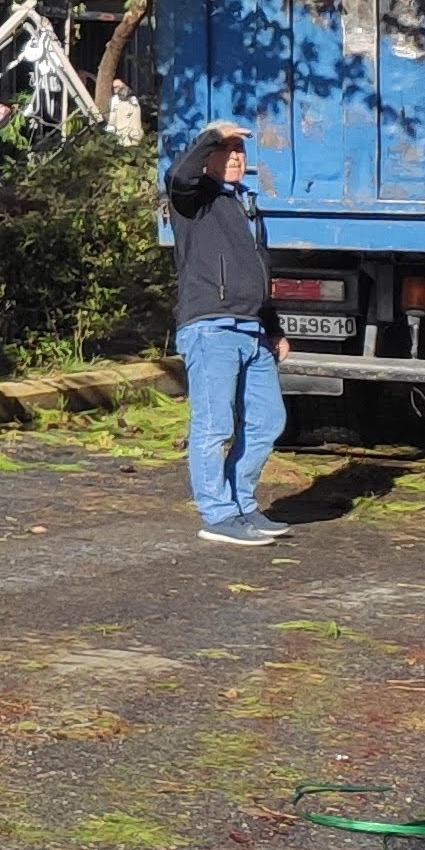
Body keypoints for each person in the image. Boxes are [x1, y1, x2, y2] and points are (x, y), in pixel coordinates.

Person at [167, 118, 288, 547]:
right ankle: (217, 515)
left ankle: (241, 504)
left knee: (268, 421)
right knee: (214, 425)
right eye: (226, 150)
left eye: (240, 151)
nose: (236, 157)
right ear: (207, 157)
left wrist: (272, 328)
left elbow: (259, 271)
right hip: (211, 327)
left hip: (251, 330)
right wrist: (212, 136)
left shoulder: (246, 205)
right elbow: (179, 175)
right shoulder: (192, 200)